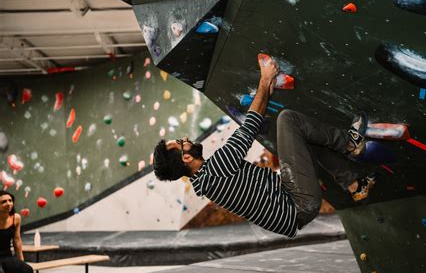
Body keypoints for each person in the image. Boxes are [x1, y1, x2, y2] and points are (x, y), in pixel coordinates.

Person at [153, 57, 376, 237]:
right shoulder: (216, 170)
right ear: (186, 158)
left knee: (302, 139)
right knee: (288, 120)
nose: (185, 139)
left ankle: (355, 185)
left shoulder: (205, 180)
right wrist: (265, 79)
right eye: (182, 143)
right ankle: (350, 142)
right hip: (299, 201)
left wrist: (266, 92)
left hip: (294, 206)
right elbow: (250, 127)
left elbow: (253, 122)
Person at [0, 191, 36, 273]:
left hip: (7, 257)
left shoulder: (16, 218)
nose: (8, 203)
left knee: (28, 270)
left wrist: (21, 261)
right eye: (3, 202)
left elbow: (16, 240)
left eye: (10, 200)